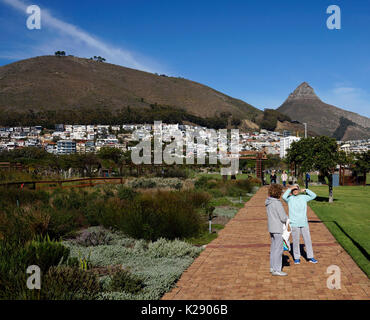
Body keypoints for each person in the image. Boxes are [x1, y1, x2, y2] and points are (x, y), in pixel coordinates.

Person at [282, 184, 318, 264]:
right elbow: (283, 197)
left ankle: (310, 257)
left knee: (308, 240)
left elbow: (314, 195)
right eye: (293, 190)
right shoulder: (289, 199)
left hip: (304, 223)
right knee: (295, 241)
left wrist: (305, 190)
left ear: (299, 190)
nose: (295, 191)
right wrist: (290, 188)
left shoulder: (304, 197)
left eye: (296, 189)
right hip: (294, 223)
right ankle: (297, 258)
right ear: (292, 191)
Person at [265, 184, 289, 276]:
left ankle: (272, 267)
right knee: (278, 249)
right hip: (278, 228)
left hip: (271, 227)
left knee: (273, 248)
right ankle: (277, 269)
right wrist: (287, 218)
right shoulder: (277, 203)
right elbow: (283, 217)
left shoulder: (268, 202)